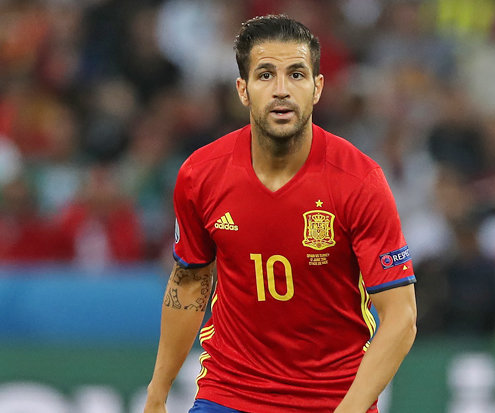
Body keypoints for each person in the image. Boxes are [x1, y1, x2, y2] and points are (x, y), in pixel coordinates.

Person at [144, 15, 417, 413]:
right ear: (243, 90)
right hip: (229, 394)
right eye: (266, 75)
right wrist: (157, 393)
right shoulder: (201, 175)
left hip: (332, 400)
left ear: (317, 88)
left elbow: (401, 317)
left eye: (297, 75)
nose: (282, 90)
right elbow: (189, 281)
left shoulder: (359, 181)